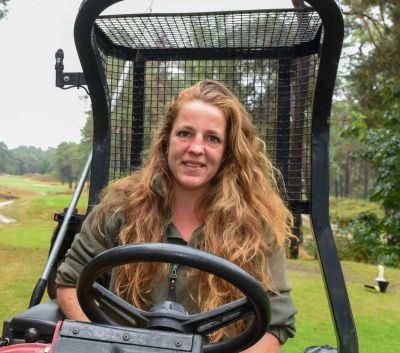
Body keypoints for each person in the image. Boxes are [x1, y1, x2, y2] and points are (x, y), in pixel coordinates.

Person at [56, 80, 297, 352]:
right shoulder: (120, 207)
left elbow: (275, 323)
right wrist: (106, 345)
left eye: (212, 138)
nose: (196, 148)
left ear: (228, 152)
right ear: (166, 141)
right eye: (185, 133)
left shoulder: (255, 224)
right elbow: (69, 282)